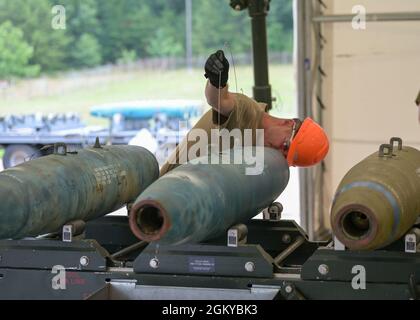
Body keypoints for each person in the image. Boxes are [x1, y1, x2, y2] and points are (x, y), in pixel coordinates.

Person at [160, 50, 329, 176]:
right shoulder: (249, 114)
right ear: (288, 124)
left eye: (285, 157)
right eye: (285, 146)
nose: (278, 152)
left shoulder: (261, 155)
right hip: (168, 190)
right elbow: (218, 100)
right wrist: (216, 79)